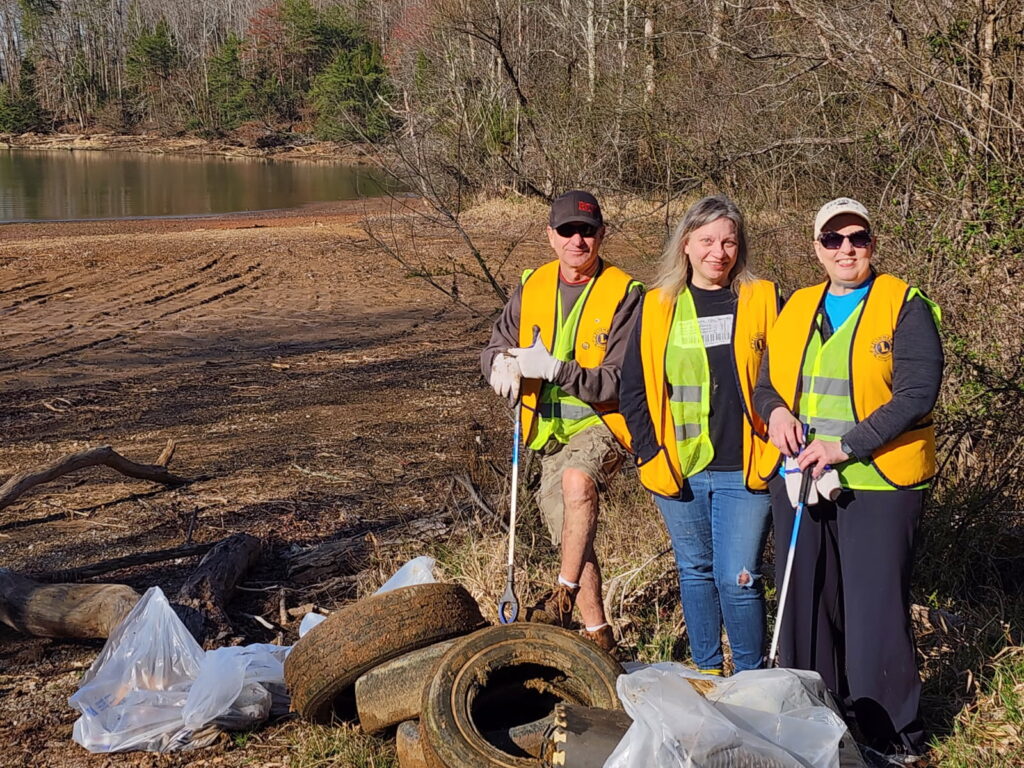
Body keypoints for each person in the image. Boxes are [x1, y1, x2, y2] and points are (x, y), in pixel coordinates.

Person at [753, 197, 942, 761]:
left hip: (878, 480)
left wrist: (846, 445)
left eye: (856, 238)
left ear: (872, 244)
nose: (846, 249)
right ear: (817, 249)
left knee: (873, 608)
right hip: (801, 477)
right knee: (806, 603)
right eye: (832, 240)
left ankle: (891, 738)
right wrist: (777, 413)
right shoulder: (799, 307)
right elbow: (766, 385)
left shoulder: (903, 305)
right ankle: (817, 722)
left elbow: (916, 395)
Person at [619, 194, 780, 674]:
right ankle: (707, 674)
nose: (719, 251)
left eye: (729, 241)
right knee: (695, 573)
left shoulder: (765, 299)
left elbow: (790, 376)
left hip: (746, 467)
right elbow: (634, 391)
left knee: (739, 579)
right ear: (686, 243)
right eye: (707, 240)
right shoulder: (657, 307)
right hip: (680, 469)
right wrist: (650, 455)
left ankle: (752, 679)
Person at [482, 190, 643, 652]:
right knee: (575, 540)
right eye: (568, 231)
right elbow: (496, 343)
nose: (578, 240)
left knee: (578, 485)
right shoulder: (531, 286)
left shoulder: (626, 294)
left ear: (602, 235)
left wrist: (554, 369)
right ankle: (600, 640)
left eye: (587, 231)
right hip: (544, 436)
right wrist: (498, 367)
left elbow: (616, 382)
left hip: (603, 425)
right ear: (550, 236)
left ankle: (562, 597)